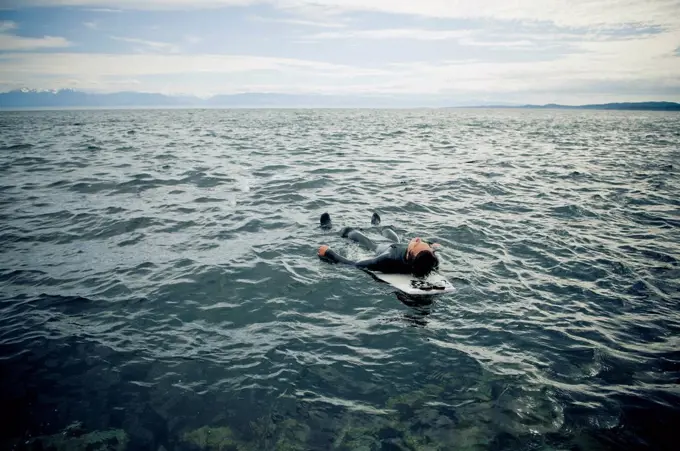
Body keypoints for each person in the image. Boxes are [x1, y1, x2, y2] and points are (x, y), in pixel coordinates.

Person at [317, 212, 440, 278]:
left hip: (377, 246)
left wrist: (329, 252)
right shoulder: (432, 260)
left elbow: (355, 265)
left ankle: (327, 227)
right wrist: (432, 247)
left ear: (409, 254)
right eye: (425, 244)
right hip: (394, 243)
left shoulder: (387, 259)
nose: (418, 239)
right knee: (388, 231)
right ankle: (375, 225)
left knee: (352, 232)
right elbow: (426, 259)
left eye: (417, 243)